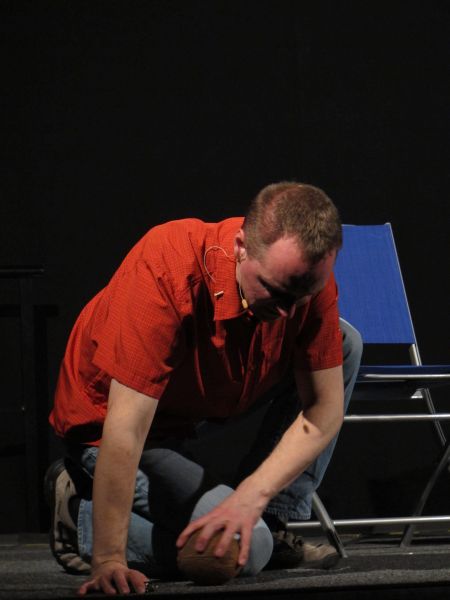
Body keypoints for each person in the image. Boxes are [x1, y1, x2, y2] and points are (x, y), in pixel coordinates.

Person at [46, 182, 362, 595]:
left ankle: (268, 518)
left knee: (345, 342)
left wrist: (252, 496)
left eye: (302, 297)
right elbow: (125, 430)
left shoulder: (303, 282)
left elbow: (323, 410)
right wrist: (109, 558)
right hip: (114, 429)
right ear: (241, 247)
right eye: (276, 292)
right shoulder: (166, 267)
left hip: (194, 403)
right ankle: (82, 520)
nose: (288, 312)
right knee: (247, 550)